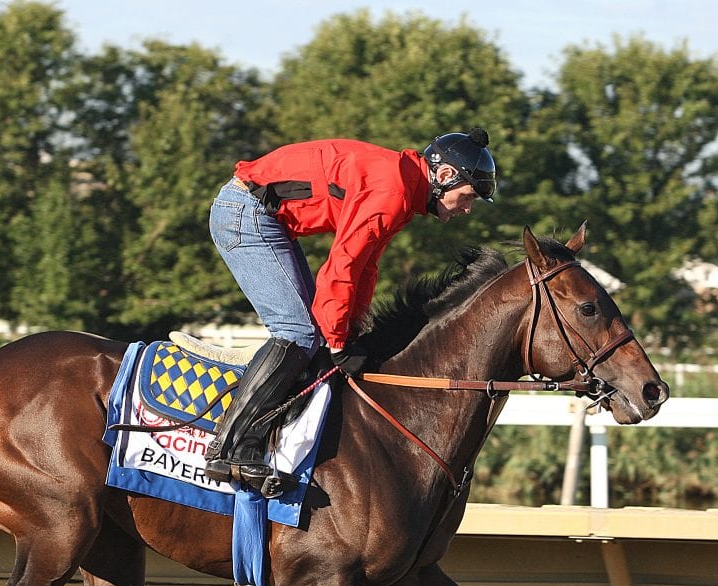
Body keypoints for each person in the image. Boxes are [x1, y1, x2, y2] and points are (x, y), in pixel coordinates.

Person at [204, 127, 498, 497]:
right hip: (244, 213)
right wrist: (339, 341)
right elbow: (342, 265)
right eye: (467, 196)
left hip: (263, 217)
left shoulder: (403, 192)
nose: (467, 209)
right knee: (301, 332)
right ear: (443, 176)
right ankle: (231, 446)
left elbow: (365, 268)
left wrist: (351, 331)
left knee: (314, 332)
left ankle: (266, 433)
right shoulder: (393, 191)